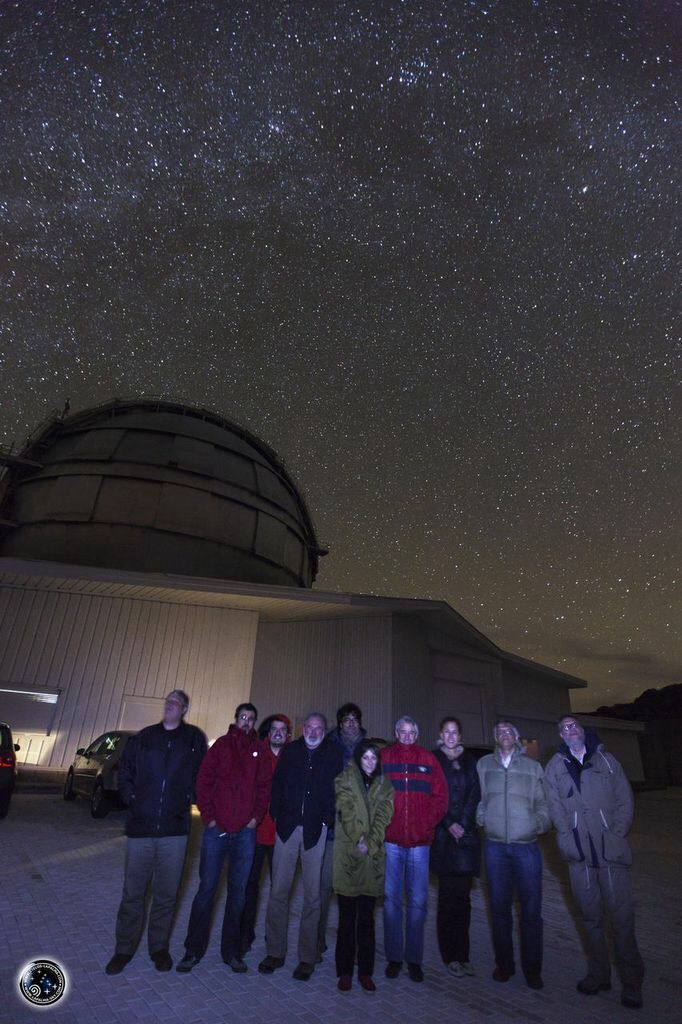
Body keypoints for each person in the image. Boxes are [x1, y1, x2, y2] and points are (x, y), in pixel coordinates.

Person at [105, 690, 207, 975]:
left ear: (185, 708)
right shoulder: (145, 737)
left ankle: (158, 948)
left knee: (166, 894)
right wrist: (131, 797)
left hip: (175, 829)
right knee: (133, 894)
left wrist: (193, 796)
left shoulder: (194, 739)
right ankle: (123, 949)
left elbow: (202, 774)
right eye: (168, 701)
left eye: (176, 702)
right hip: (141, 827)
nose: (170, 704)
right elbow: (124, 768)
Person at [545, 715, 644, 1009]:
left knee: (622, 920)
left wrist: (615, 834)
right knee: (590, 920)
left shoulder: (607, 760)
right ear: (560, 736)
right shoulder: (555, 767)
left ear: (582, 730)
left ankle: (632, 984)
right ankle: (599, 974)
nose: (569, 730)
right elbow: (554, 807)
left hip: (610, 853)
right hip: (580, 857)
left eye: (573, 725)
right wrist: (565, 839)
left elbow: (625, 800)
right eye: (563, 728)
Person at [176, 702, 272, 974]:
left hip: (244, 833)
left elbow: (264, 787)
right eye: (243, 717)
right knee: (206, 891)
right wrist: (209, 816)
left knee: (238, 894)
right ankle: (193, 950)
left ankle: (232, 952)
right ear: (235, 718)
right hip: (216, 832)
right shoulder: (220, 746)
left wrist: (256, 818)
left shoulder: (259, 751)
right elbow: (203, 781)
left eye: (251, 719)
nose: (246, 722)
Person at [258, 712, 343, 981]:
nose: (313, 731)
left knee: (313, 896)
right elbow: (278, 784)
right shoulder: (291, 751)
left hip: (314, 832)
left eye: (319, 727)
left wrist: (327, 820)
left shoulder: (332, 754)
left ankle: (307, 957)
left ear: (324, 731)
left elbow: (337, 791)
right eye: (309, 726)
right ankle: (275, 951)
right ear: (302, 728)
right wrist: (278, 814)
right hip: (286, 829)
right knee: (278, 892)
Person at [476, 721, 550, 989]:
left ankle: (533, 970)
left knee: (531, 912)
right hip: (495, 848)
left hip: (526, 847)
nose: (504, 734)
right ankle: (504, 965)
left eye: (509, 731)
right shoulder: (484, 765)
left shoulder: (532, 767)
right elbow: (481, 799)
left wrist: (537, 824)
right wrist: (482, 818)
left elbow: (544, 803)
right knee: (499, 911)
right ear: (495, 738)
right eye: (499, 731)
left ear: (517, 737)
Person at [380, 715, 447, 983]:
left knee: (418, 904)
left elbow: (441, 798)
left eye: (412, 732)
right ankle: (395, 957)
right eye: (402, 731)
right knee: (391, 903)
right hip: (392, 842)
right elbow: (375, 793)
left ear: (417, 734)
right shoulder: (385, 758)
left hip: (420, 844)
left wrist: (425, 825)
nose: (407, 735)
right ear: (396, 732)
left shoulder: (428, 760)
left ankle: (414, 959)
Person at [333, 739, 394, 992]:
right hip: (350, 854)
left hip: (372, 856)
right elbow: (345, 808)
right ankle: (345, 971)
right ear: (358, 758)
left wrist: (371, 840)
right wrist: (359, 837)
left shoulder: (384, 784)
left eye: (373, 758)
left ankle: (366, 971)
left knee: (367, 919)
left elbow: (384, 814)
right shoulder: (345, 778)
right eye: (365, 757)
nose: (370, 762)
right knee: (347, 918)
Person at [430, 716, 481, 978]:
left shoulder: (470, 760)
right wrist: (450, 823)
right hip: (443, 838)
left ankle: (464, 954)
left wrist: (463, 823)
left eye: (455, 732)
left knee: (464, 900)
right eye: (446, 732)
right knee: (447, 900)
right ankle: (450, 955)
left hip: (466, 840)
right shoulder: (434, 759)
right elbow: (432, 795)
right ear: (441, 734)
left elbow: (475, 794)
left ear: (460, 736)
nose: (451, 736)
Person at [239, 713, 291, 957]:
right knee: (250, 886)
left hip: (281, 836)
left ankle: (275, 937)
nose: (278, 732)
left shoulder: (293, 756)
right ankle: (244, 934)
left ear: (288, 734)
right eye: (274, 729)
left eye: (283, 729)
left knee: (279, 889)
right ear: (268, 733)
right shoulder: (256, 753)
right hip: (255, 833)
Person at [318, 702, 368, 956]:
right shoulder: (328, 745)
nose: (350, 723)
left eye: (354, 719)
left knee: (356, 890)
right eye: (346, 719)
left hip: (357, 829)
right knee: (324, 887)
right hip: (331, 827)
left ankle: (354, 946)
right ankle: (317, 941)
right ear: (339, 723)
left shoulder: (368, 749)